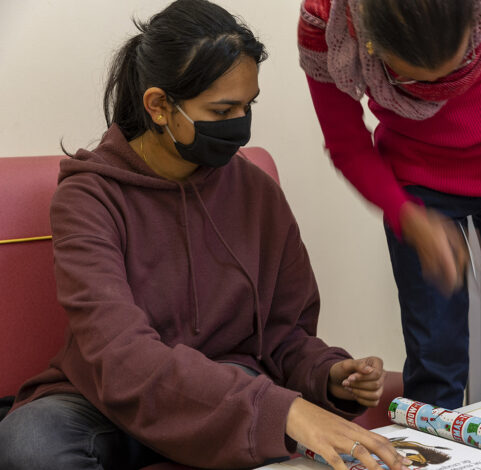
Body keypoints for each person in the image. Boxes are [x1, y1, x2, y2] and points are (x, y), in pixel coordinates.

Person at [0, 2, 414, 469]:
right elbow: (119, 355)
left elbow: (285, 336)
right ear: (158, 106)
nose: (240, 124)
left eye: (247, 105)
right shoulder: (88, 198)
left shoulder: (256, 191)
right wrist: (285, 411)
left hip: (231, 402)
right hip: (109, 401)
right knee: (29, 441)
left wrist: (328, 374)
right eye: (222, 109)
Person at [298, 0, 481, 409]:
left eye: (456, 67)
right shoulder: (325, 25)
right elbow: (347, 142)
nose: (442, 91)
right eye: (415, 81)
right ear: (369, 46)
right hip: (416, 185)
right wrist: (406, 217)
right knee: (435, 359)